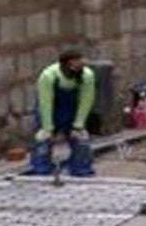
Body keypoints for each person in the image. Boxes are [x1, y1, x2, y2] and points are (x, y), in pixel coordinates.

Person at [28, 48, 96, 177]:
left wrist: (78, 124)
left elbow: (87, 100)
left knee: (81, 138)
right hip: (51, 108)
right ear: (68, 63)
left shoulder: (87, 76)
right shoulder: (48, 76)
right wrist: (48, 127)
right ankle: (41, 170)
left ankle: (81, 169)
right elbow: (45, 102)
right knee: (42, 139)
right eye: (76, 62)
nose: (80, 65)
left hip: (72, 108)